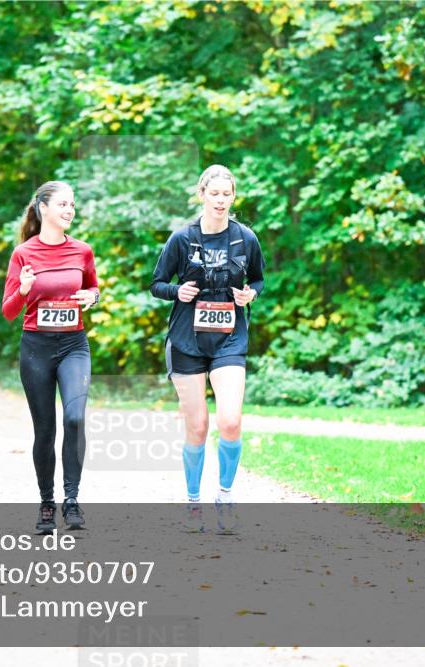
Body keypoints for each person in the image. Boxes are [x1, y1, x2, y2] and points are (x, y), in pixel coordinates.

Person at [149, 164, 265, 533]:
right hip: (187, 339)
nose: (220, 200)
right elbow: (156, 283)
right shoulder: (182, 239)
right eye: (213, 193)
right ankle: (193, 502)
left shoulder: (245, 238)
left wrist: (251, 294)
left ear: (234, 196)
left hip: (230, 337)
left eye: (226, 194)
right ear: (201, 194)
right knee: (197, 427)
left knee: (230, 421)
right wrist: (175, 291)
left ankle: (226, 496)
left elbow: (259, 278)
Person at [2, 181, 100, 534]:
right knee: (45, 430)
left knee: (74, 418)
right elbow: (9, 311)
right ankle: (47, 504)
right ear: (43, 208)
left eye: (72, 204)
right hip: (36, 349)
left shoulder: (83, 251)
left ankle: (72, 501)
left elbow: (92, 287)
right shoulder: (23, 254)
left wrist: (93, 298)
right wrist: (24, 289)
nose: (69, 210)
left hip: (74, 346)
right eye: (62, 204)